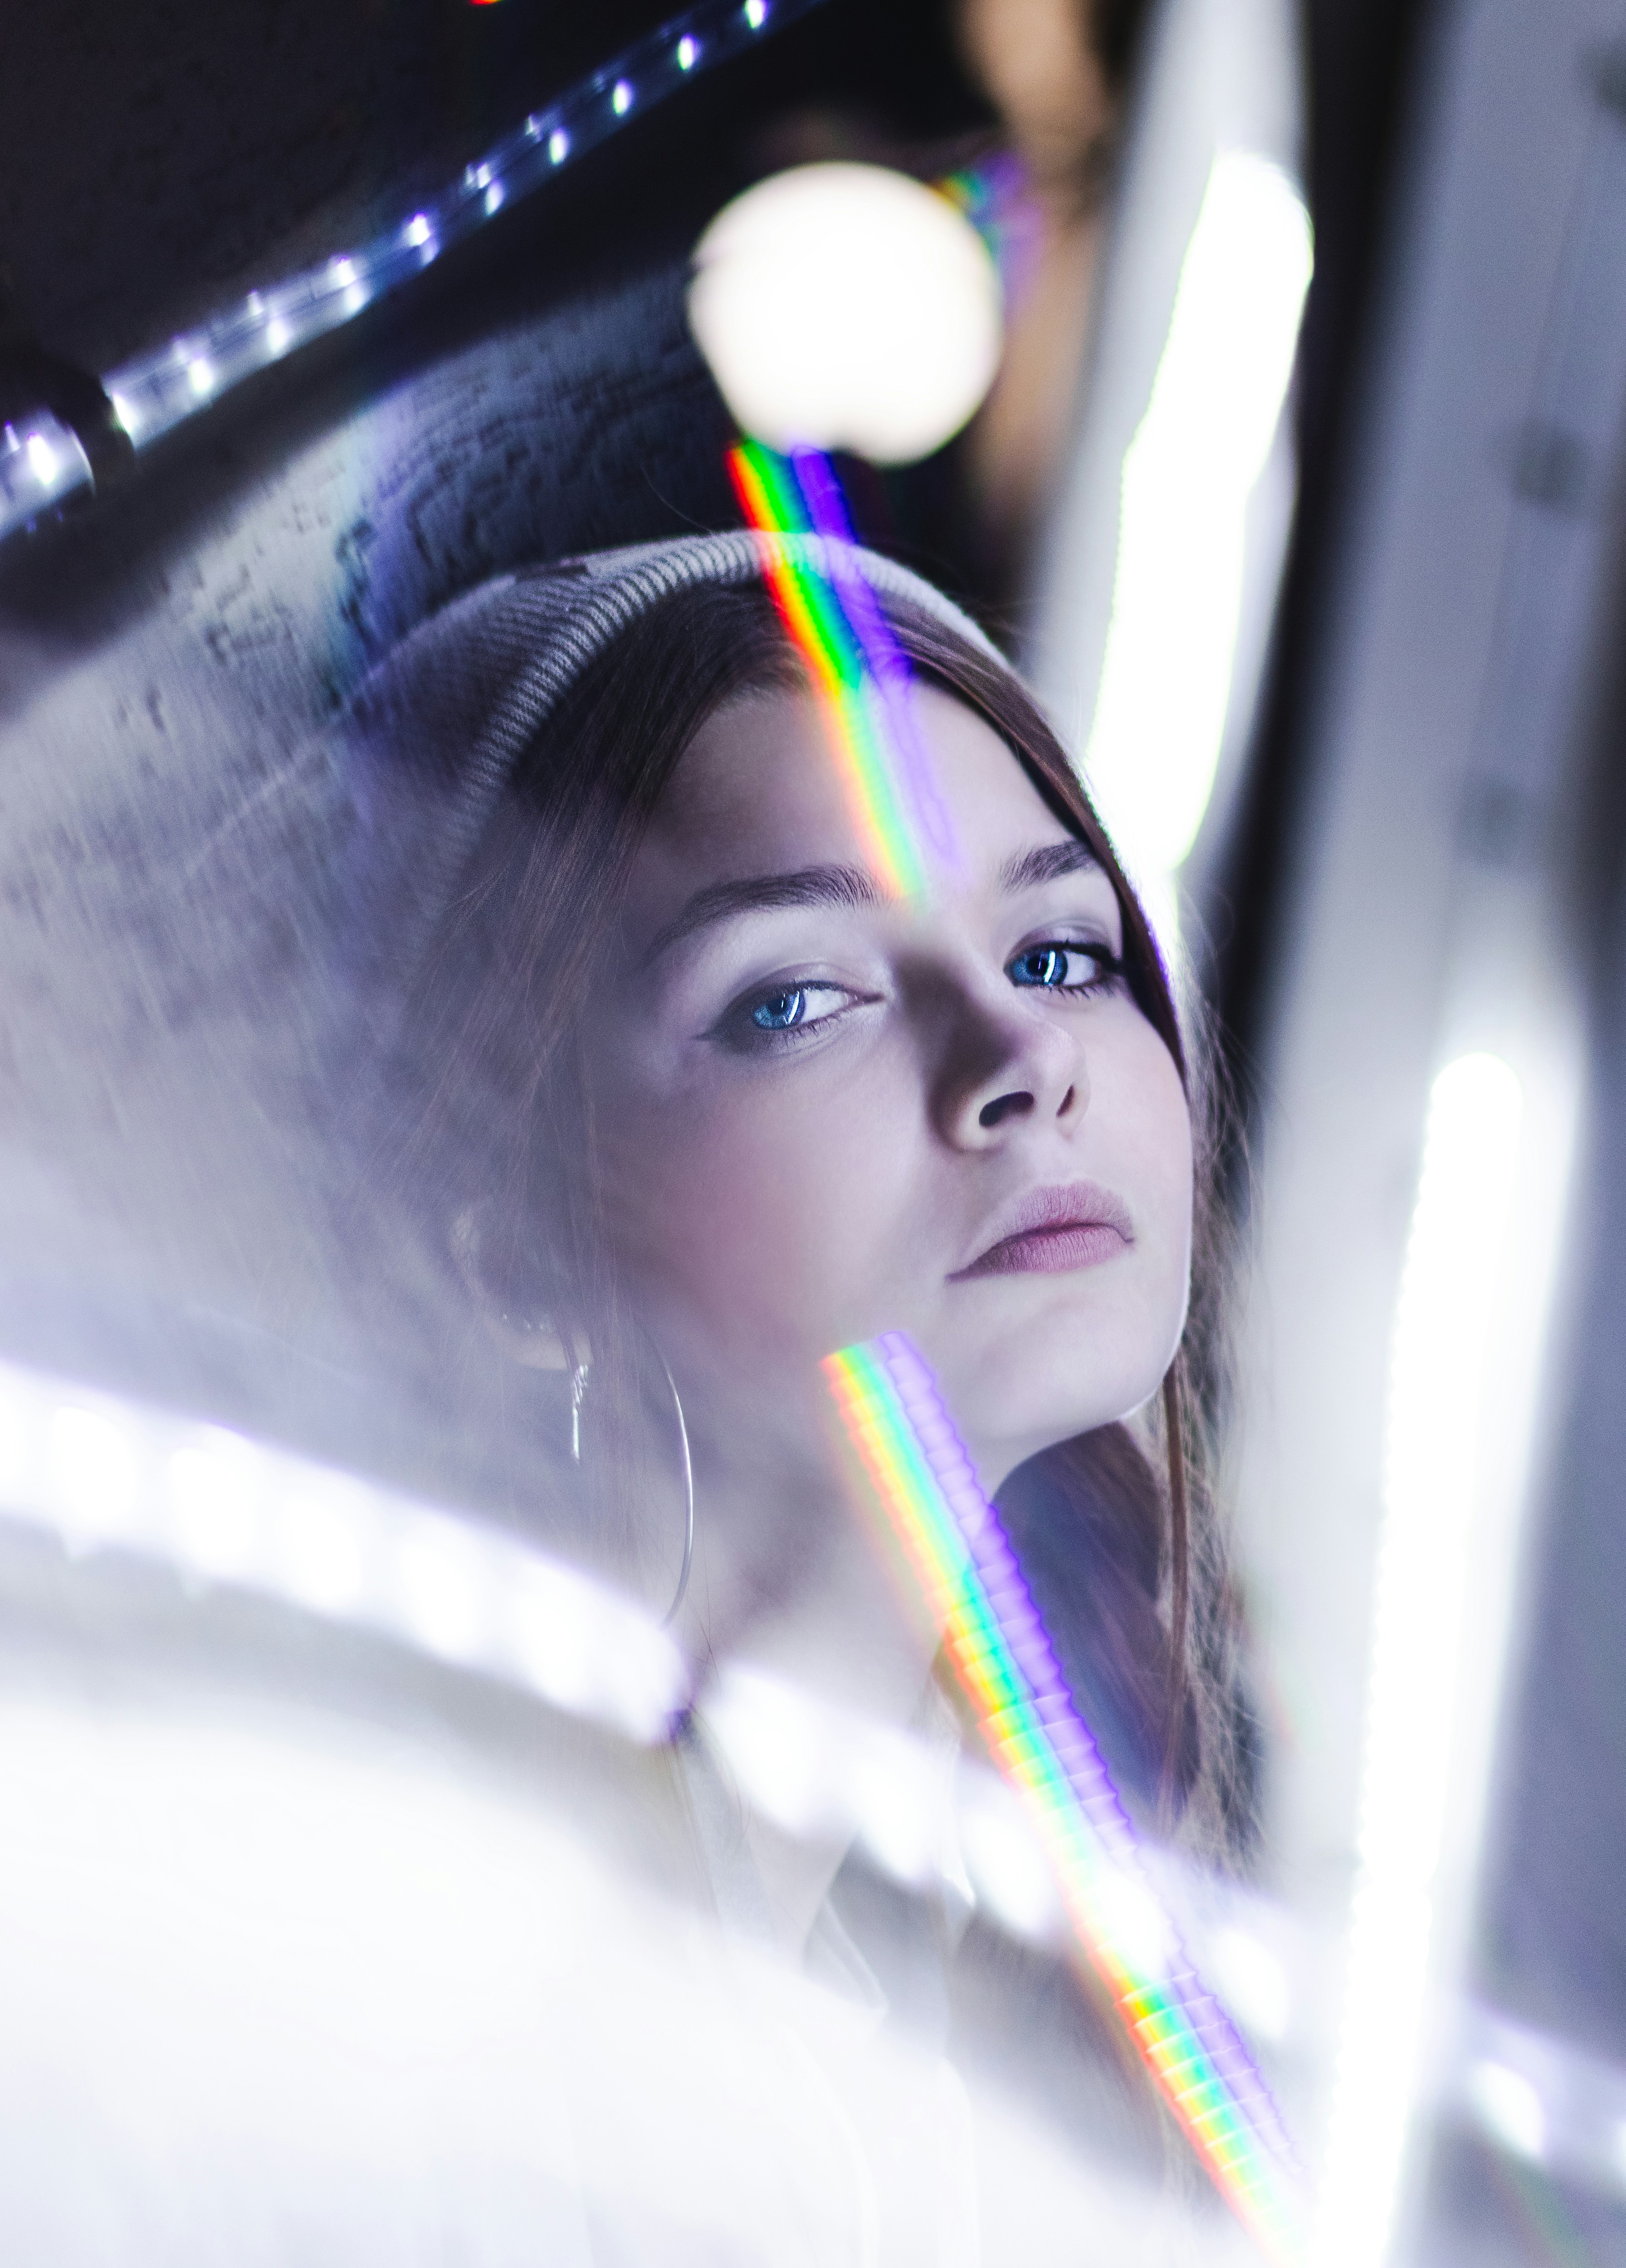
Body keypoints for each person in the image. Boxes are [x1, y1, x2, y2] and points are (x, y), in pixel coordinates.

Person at [336, 530, 1254, 2252]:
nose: (1023, 1058)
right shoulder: (440, 2026)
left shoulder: (931, 2004)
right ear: (514, 1253)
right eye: (800, 998)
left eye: (1060, 951)